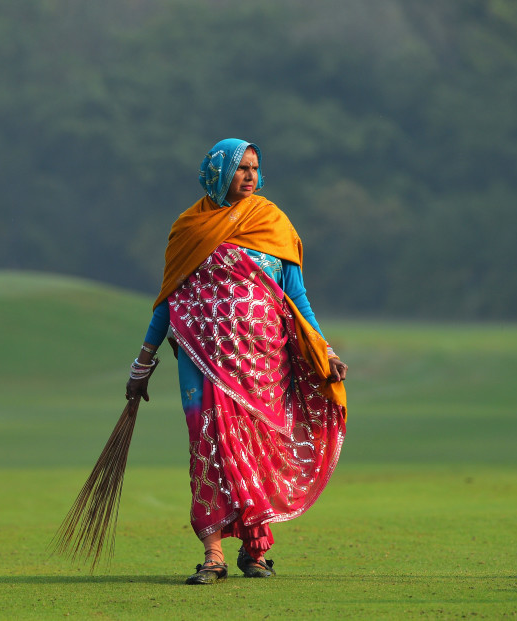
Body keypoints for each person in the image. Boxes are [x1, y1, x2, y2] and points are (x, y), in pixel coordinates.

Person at [125, 138, 348, 584]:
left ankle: (255, 549)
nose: (249, 176)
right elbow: (168, 302)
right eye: (240, 168)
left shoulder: (273, 222)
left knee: (260, 449)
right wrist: (143, 364)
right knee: (209, 443)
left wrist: (324, 348)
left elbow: (296, 296)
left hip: (264, 363)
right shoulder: (189, 228)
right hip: (201, 359)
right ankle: (212, 554)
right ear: (217, 173)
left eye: (254, 168)